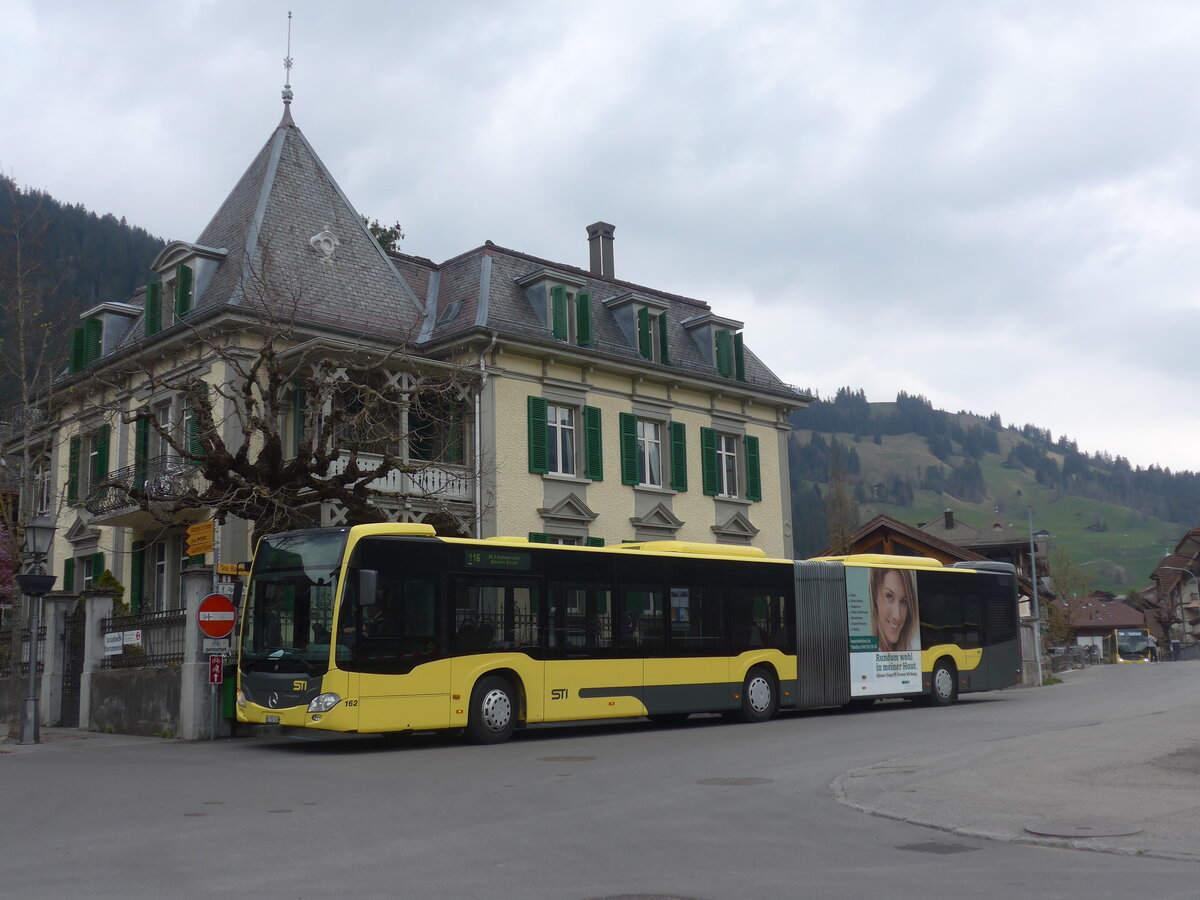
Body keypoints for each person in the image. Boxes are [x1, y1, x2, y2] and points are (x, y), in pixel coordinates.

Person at [869, 568, 919, 652]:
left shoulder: (911, 652)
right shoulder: (866, 657)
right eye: (889, 596)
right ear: (875, 595)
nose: (897, 616)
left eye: (904, 601)